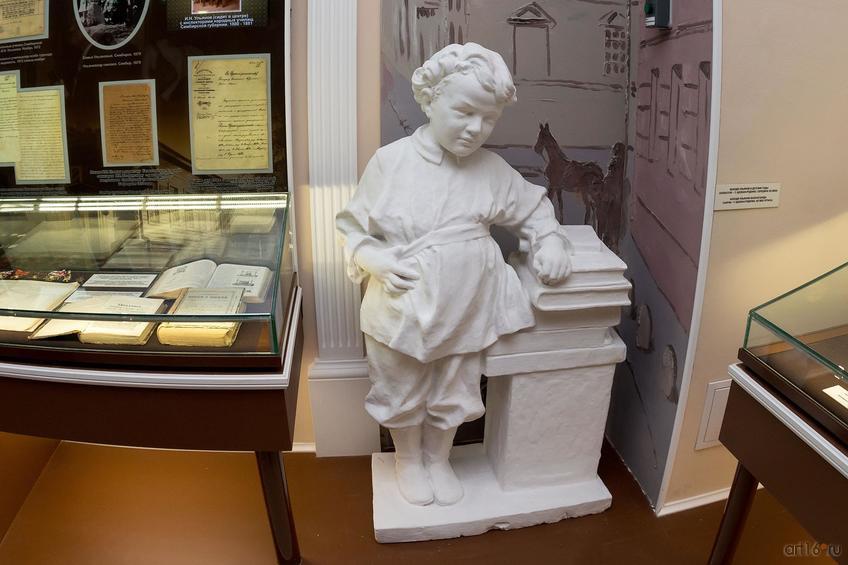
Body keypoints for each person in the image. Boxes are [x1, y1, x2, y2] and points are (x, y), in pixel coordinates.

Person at [336, 43, 571, 506]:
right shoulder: (392, 162)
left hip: (467, 305)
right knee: (400, 386)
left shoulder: (491, 169)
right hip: (402, 304)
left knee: (456, 388)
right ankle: (408, 460)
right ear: (430, 100)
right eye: (464, 112)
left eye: (488, 119)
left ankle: (438, 458)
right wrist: (374, 259)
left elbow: (532, 208)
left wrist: (550, 240)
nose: (475, 128)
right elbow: (351, 227)